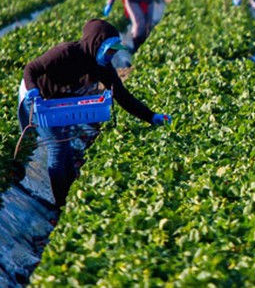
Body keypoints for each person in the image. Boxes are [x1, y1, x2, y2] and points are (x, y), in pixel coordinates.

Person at [17, 19, 171, 207]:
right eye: (110, 50)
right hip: (37, 100)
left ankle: (69, 199)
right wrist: (33, 90)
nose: (112, 55)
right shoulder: (66, 52)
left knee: (65, 148)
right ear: (97, 44)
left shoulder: (102, 66)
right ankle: (61, 205)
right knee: (58, 148)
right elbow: (31, 68)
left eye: (114, 52)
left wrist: (151, 116)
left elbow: (122, 95)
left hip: (59, 102)